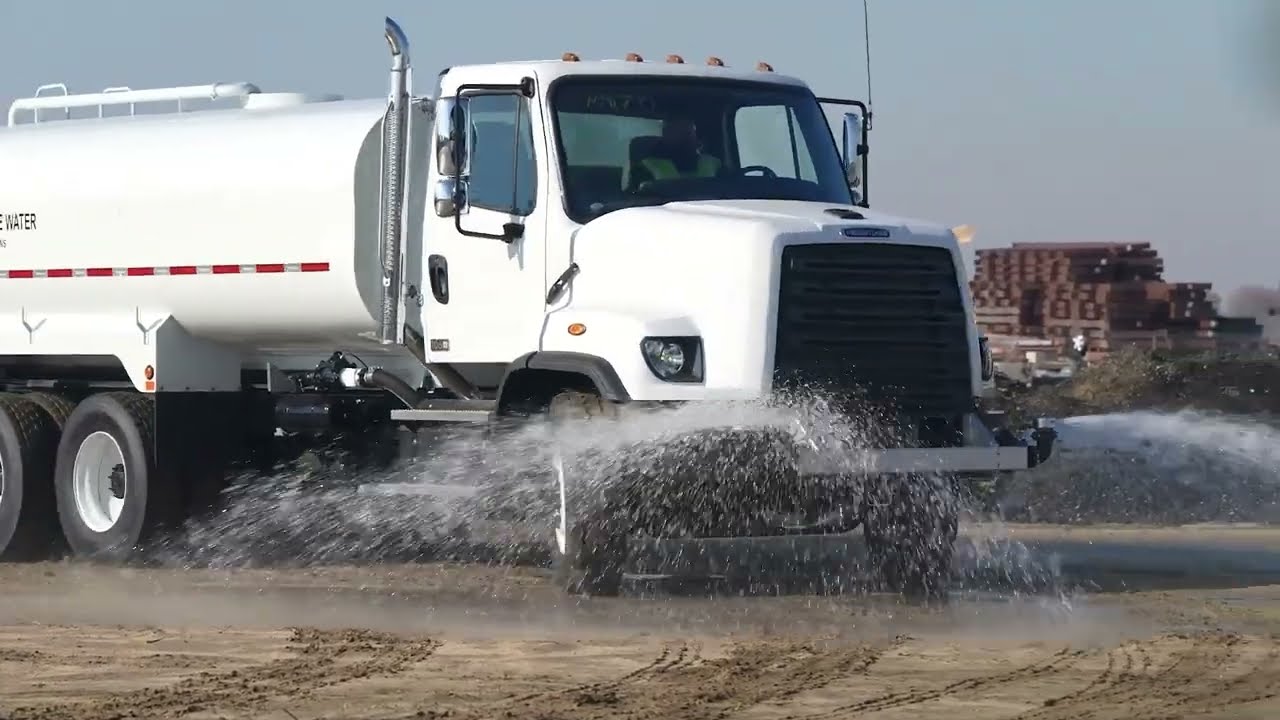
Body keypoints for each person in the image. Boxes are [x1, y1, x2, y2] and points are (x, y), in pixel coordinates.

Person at [634, 115, 722, 185]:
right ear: (665, 133)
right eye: (677, 129)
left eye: (689, 129)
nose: (685, 134)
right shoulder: (645, 168)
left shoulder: (715, 164)